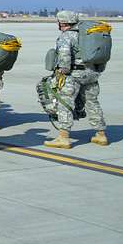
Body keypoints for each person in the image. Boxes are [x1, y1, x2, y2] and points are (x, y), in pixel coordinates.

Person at [45, 11, 108, 149]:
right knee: (92, 102)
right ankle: (101, 134)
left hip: (74, 75)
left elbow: (64, 56)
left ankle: (63, 137)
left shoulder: (66, 36)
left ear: (62, 22)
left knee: (65, 104)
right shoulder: (89, 34)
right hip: (92, 73)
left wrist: (62, 71)